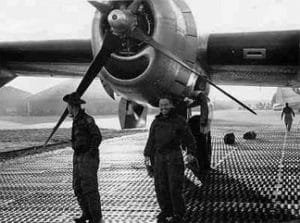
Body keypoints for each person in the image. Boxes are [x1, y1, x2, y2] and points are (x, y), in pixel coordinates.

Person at [144, 96, 197, 223]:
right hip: (159, 158)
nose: (163, 108)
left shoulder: (179, 121)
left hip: (174, 157)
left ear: (172, 105)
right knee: (160, 187)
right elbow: (150, 143)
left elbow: (190, 140)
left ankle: (178, 213)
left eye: (166, 104)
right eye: (161, 105)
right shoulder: (156, 122)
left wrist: (190, 153)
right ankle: (165, 211)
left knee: (174, 188)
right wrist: (147, 163)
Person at [63, 92, 102, 223]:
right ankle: (87, 214)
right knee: (78, 187)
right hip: (78, 157)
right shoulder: (76, 120)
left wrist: (90, 153)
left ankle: (96, 218)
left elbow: (97, 136)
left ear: (72, 106)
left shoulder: (87, 119)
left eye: (68, 105)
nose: (67, 108)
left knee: (89, 188)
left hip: (87, 157)